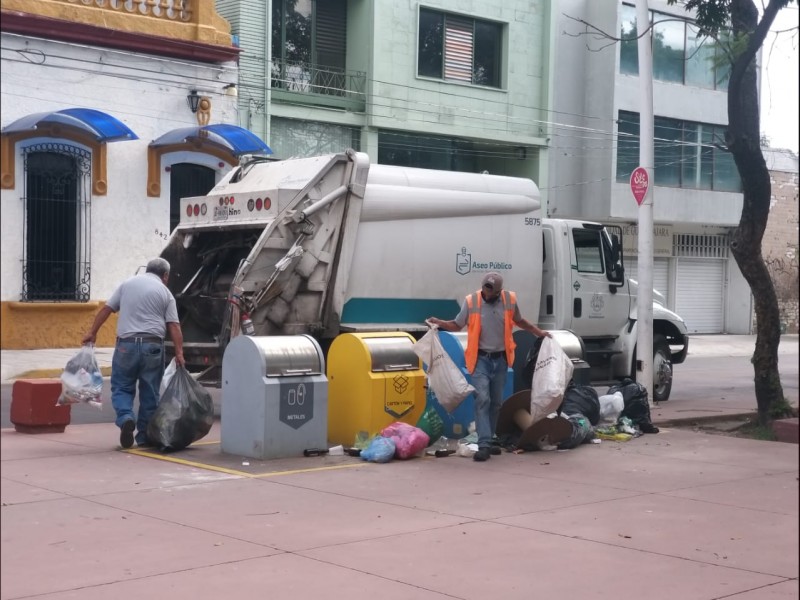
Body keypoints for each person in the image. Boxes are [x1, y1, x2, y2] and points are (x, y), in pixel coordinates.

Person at [428, 272, 551, 462]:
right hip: (480, 360)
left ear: (499, 291)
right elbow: (457, 324)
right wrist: (440, 323)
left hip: (500, 359)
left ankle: (490, 438)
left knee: (496, 403)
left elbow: (520, 321)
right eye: (486, 288)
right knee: (482, 398)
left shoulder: (509, 300)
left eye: (491, 290)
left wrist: (538, 332)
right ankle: (484, 444)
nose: (487, 292)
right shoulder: (472, 301)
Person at [82, 258, 185, 449]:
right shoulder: (165, 292)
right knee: (150, 391)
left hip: (126, 345)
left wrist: (92, 332)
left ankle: (126, 417)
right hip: (153, 346)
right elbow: (174, 325)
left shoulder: (127, 284)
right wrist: (179, 353)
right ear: (165, 276)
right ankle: (144, 436)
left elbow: (107, 309)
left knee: (121, 386)